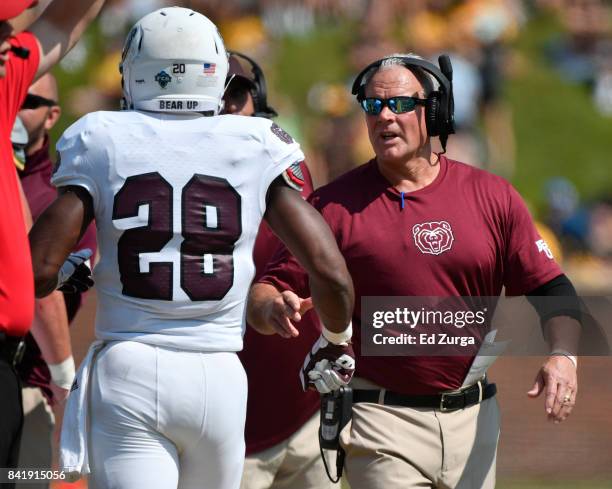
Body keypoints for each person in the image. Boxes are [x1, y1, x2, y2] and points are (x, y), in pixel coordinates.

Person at [28, 7, 353, 489]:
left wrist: (68, 272)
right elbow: (332, 276)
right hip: (217, 374)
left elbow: (36, 268)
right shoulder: (255, 140)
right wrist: (336, 342)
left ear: (134, 73)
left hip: (130, 365)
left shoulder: (101, 137)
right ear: (216, 72)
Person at [247, 53, 582, 489]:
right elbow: (265, 291)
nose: (384, 116)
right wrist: (272, 307)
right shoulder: (331, 206)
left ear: (436, 111)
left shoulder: (492, 195)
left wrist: (564, 357)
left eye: (400, 104)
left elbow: (552, 288)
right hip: (381, 420)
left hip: (475, 419)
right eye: (372, 105)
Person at [1, 0, 105, 479]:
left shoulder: (61, 191)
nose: (8, 40)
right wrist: (68, 380)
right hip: (29, 379)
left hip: (23, 378)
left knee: (29, 477)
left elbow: (65, 21)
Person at [222, 52, 333, 489]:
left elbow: (304, 251)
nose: (228, 103)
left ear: (256, 97)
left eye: (237, 91)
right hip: (226, 430)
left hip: (302, 409)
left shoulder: (275, 155)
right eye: (216, 93)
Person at [12, 73, 97, 485]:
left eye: (28, 99)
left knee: (23, 479)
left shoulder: (66, 196)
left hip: (26, 386)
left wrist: (63, 380)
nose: (12, 103)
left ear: (52, 117)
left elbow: (51, 291)